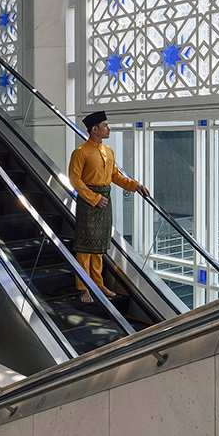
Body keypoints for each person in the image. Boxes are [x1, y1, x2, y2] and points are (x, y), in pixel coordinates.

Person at [68, 110, 150, 304]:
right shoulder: (80, 152)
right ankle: (83, 287)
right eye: (105, 125)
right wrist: (94, 198)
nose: (108, 128)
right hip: (90, 202)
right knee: (85, 246)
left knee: (99, 245)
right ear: (94, 129)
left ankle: (98, 283)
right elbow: (74, 180)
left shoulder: (108, 151)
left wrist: (134, 185)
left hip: (105, 200)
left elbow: (115, 176)